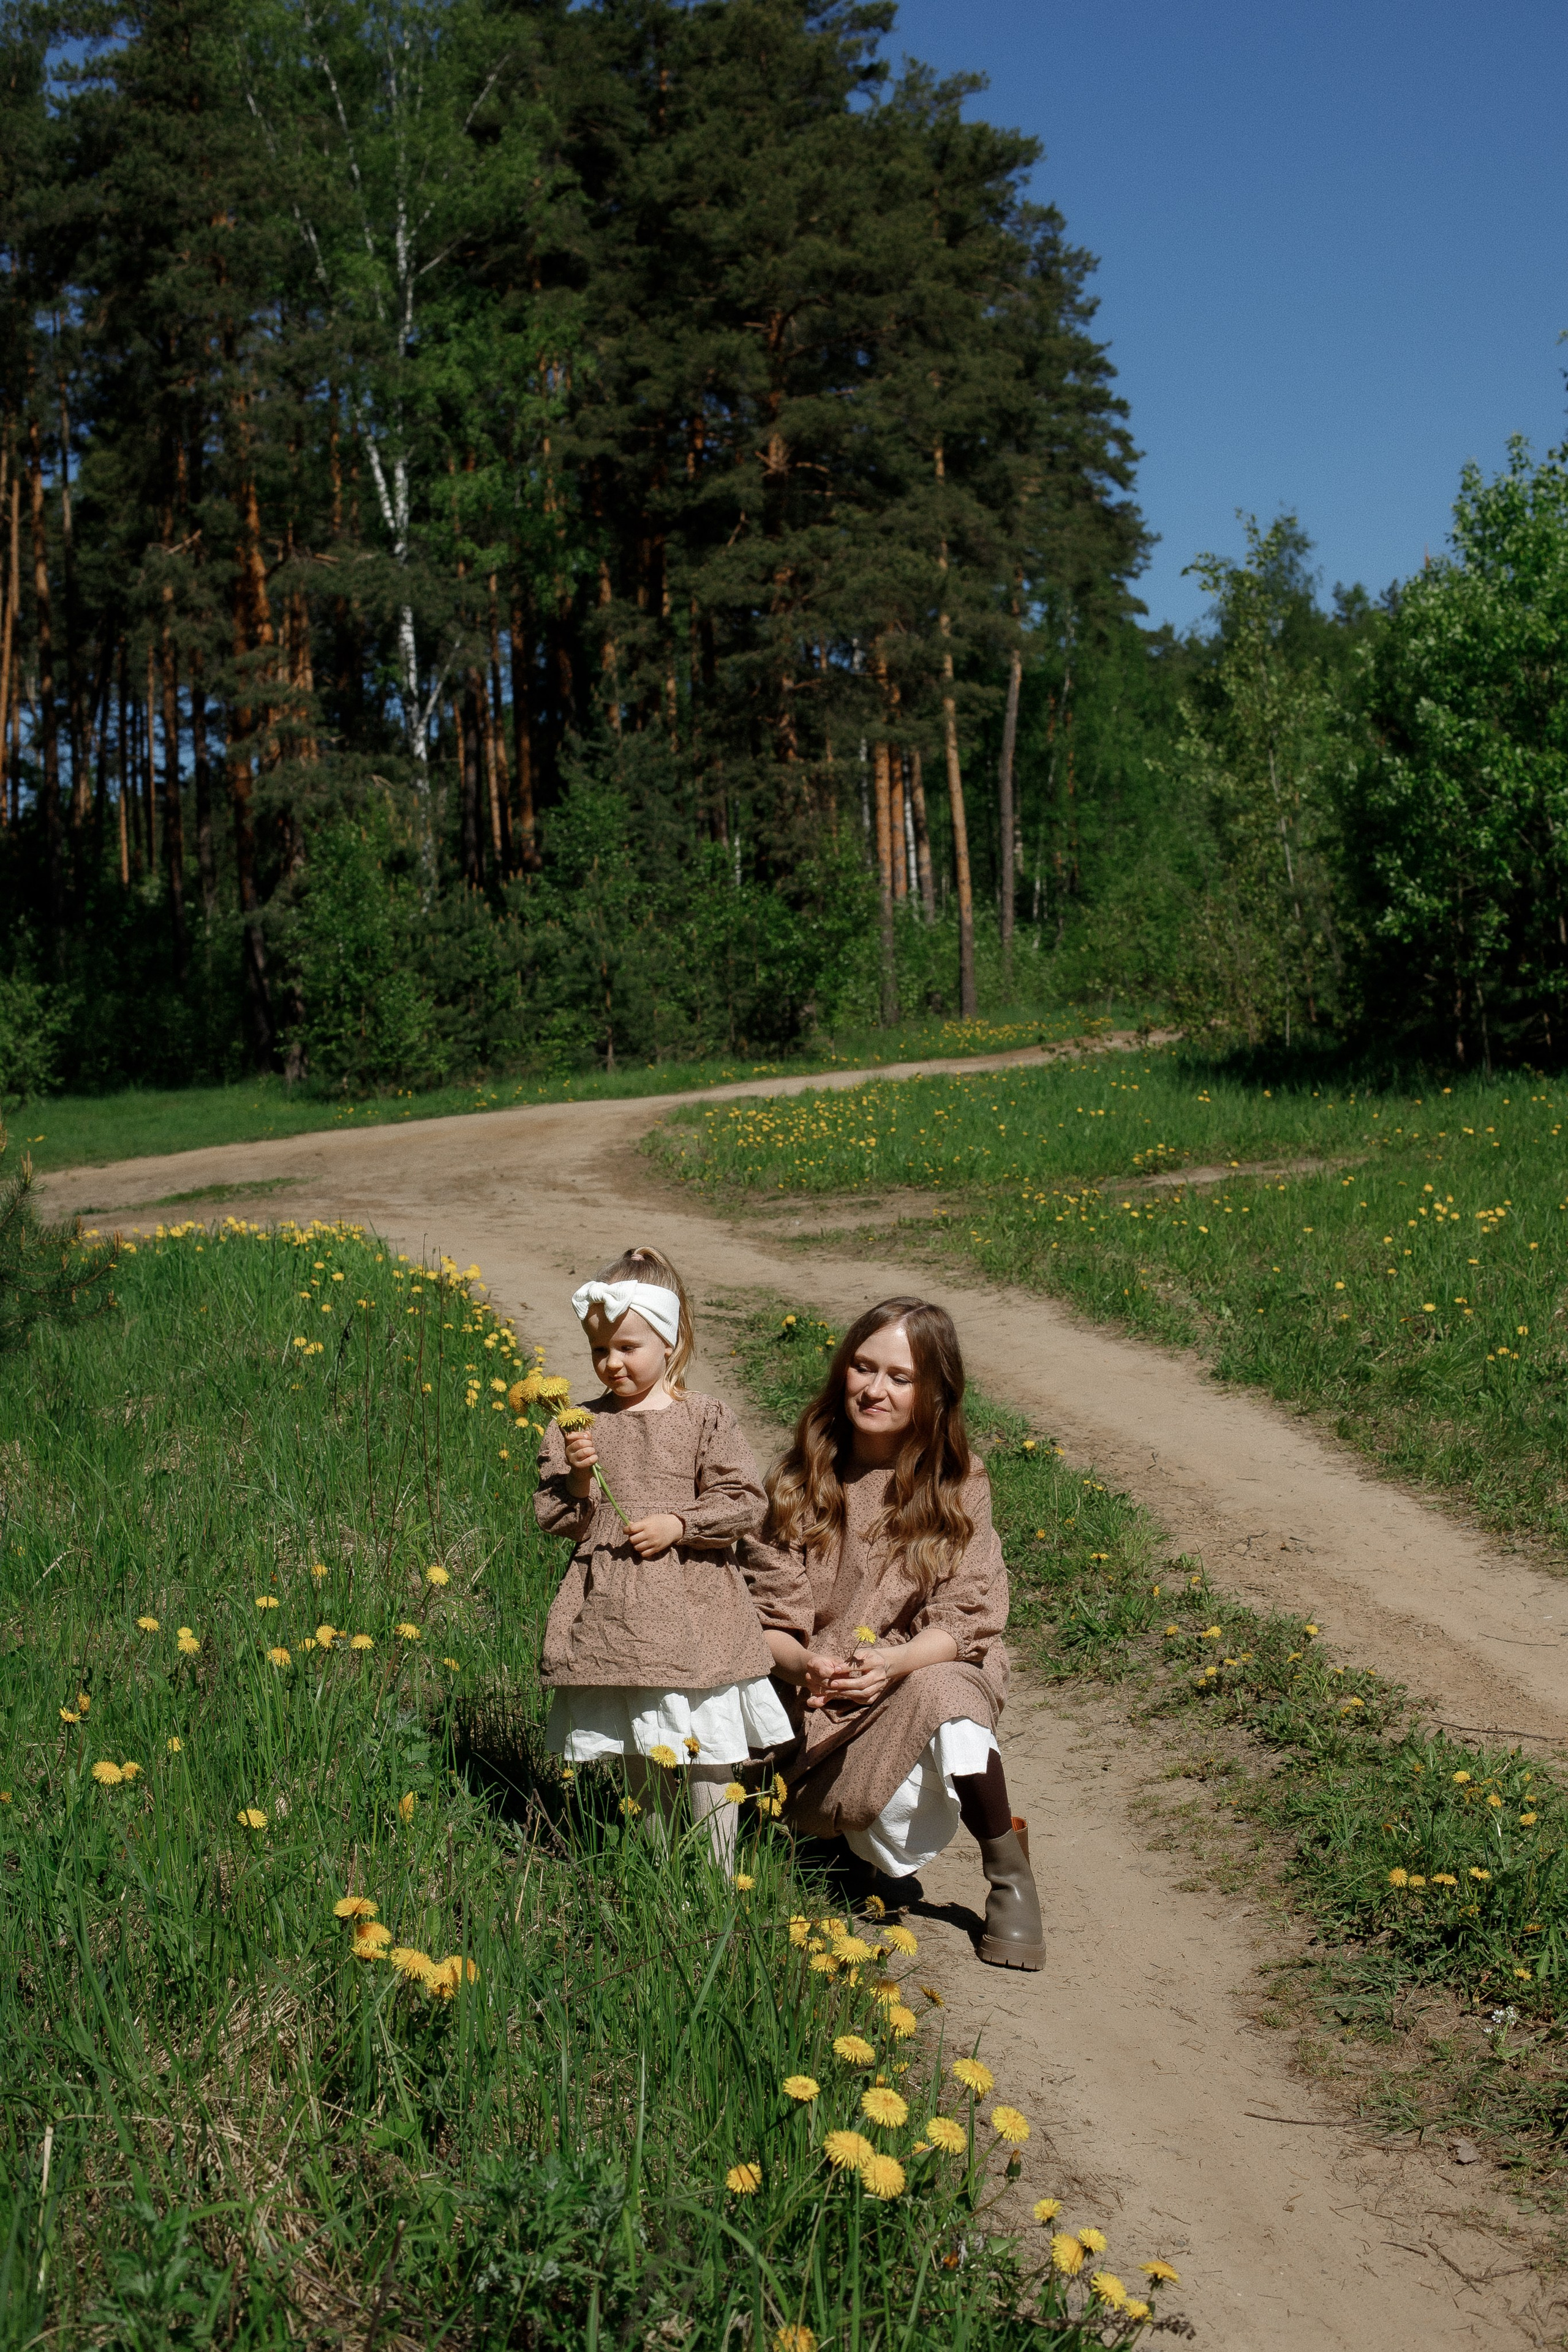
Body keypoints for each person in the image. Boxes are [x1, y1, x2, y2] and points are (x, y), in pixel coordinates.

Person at [745, 1295, 1045, 1968]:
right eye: (862, 1367)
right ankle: (838, 1847)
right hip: (817, 1707)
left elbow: (968, 1616)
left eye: (899, 1378)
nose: (874, 1389)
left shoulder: (958, 1483)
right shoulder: (794, 1485)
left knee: (949, 1690)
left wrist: (895, 1662)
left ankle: (1010, 1881)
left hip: (917, 1673)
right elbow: (766, 1623)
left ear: (935, 1393)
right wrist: (803, 1668)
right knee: (843, 1819)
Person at [534, 1246, 799, 1868]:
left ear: (670, 1342)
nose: (612, 1363)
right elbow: (559, 1520)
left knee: (708, 1741)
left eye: (628, 1347)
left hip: (695, 1609)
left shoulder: (703, 1417)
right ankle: (657, 1869)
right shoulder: (578, 1424)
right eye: (600, 1350)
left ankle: (715, 1872)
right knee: (639, 1740)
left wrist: (679, 1522)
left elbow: (742, 1502)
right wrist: (578, 1479)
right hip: (615, 1613)